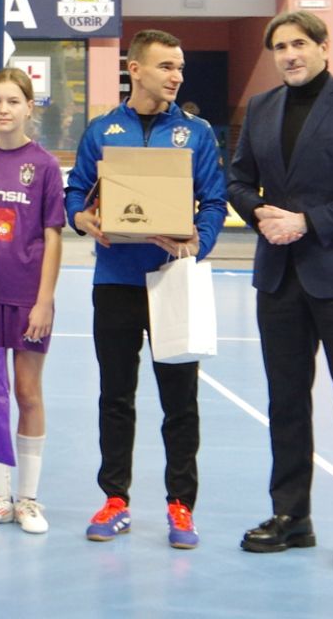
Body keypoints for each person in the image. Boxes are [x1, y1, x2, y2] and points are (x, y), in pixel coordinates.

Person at [230, 12, 333, 573]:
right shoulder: (261, 108)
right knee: (285, 402)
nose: (289, 55)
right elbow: (237, 180)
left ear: (324, 46)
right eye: (279, 47)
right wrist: (260, 213)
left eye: (299, 43)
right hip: (279, 277)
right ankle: (291, 516)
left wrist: (307, 222)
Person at [65, 29, 227, 550]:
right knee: (116, 396)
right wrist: (82, 219)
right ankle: (115, 499)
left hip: (173, 281)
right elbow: (76, 192)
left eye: (180, 67)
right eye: (165, 66)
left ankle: (181, 505)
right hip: (115, 280)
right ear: (134, 69)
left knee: (181, 401)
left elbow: (214, 201)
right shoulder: (102, 131)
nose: (176, 76)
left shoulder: (197, 133)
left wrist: (196, 243)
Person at [0, 68, 65, 534]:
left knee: (26, 392)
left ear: (29, 107)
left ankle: (29, 500)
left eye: (13, 101)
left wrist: (44, 301)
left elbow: (53, 235)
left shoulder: (43, 165)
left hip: (27, 296)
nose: (4, 109)